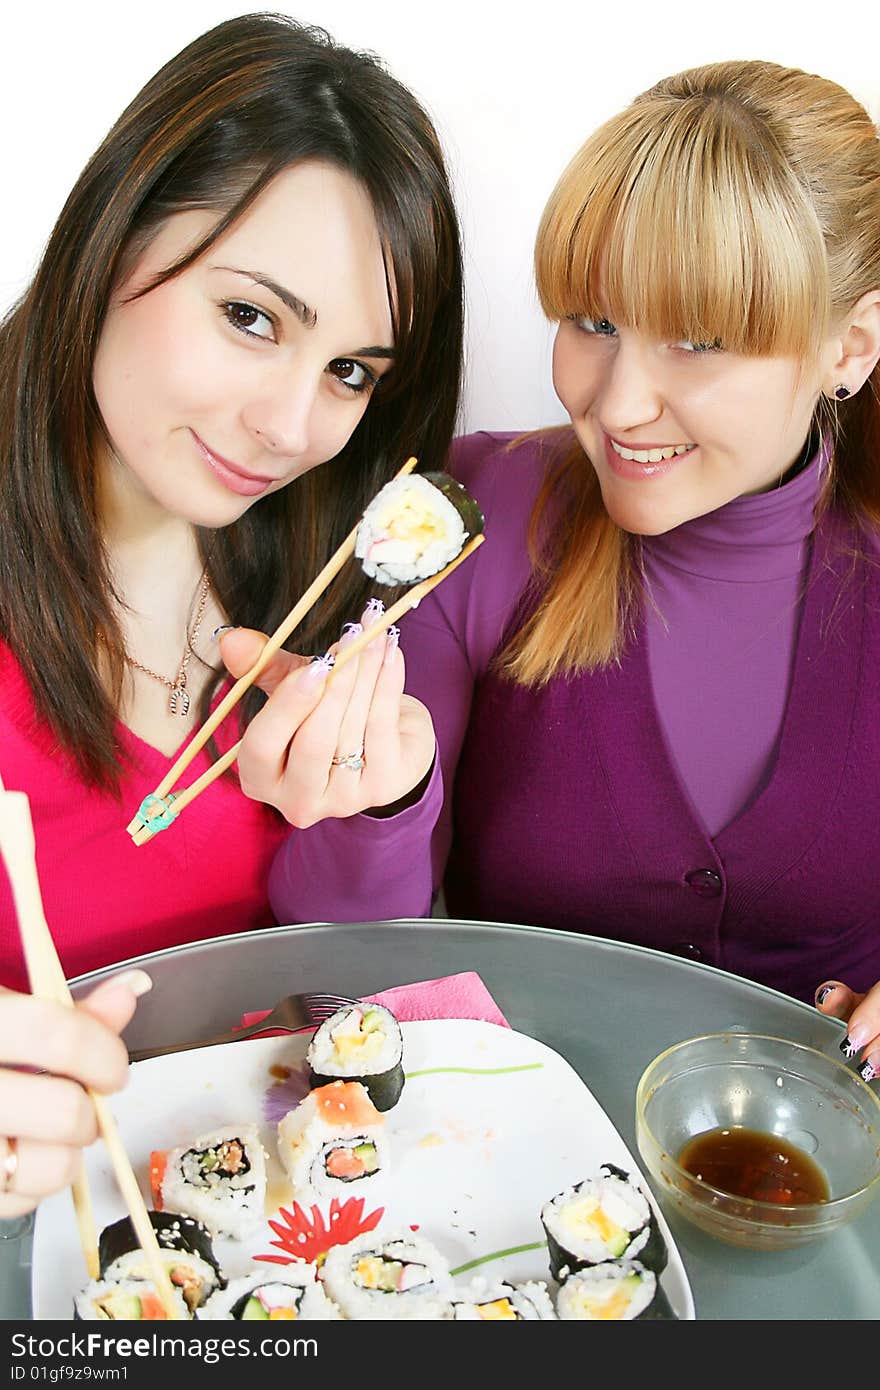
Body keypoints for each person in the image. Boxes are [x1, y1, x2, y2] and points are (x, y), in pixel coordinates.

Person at [247, 61, 880, 1084]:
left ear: (849, 344)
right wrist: (376, 804)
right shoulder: (472, 519)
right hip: (514, 1145)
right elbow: (342, 973)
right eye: (592, 321)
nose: (617, 403)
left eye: (699, 341)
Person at [0, 12, 463, 1216]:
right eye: (252, 317)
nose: (293, 427)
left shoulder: (315, 584)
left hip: (247, 1225)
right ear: (111, 239)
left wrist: (376, 811)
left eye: (351, 370)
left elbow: (340, 986)